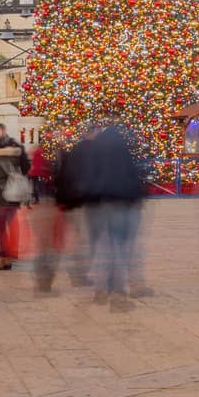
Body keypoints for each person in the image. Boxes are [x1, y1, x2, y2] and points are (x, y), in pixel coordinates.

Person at [76, 122, 144, 309]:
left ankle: (100, 288)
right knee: (119, 247)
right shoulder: (123, 152)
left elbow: (88, 176)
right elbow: (133, 177)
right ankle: (118, 290)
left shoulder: (96, 151)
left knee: (101, 247)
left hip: (100, 202)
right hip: (121, 202)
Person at [0, 123, 29, 270]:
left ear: (3, 130)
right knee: (11, 225)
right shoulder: (17, 146)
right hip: (12, 192)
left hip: (0, 194)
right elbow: (26, 167)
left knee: (1, 228)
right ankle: (8, 257)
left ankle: (5, 259)